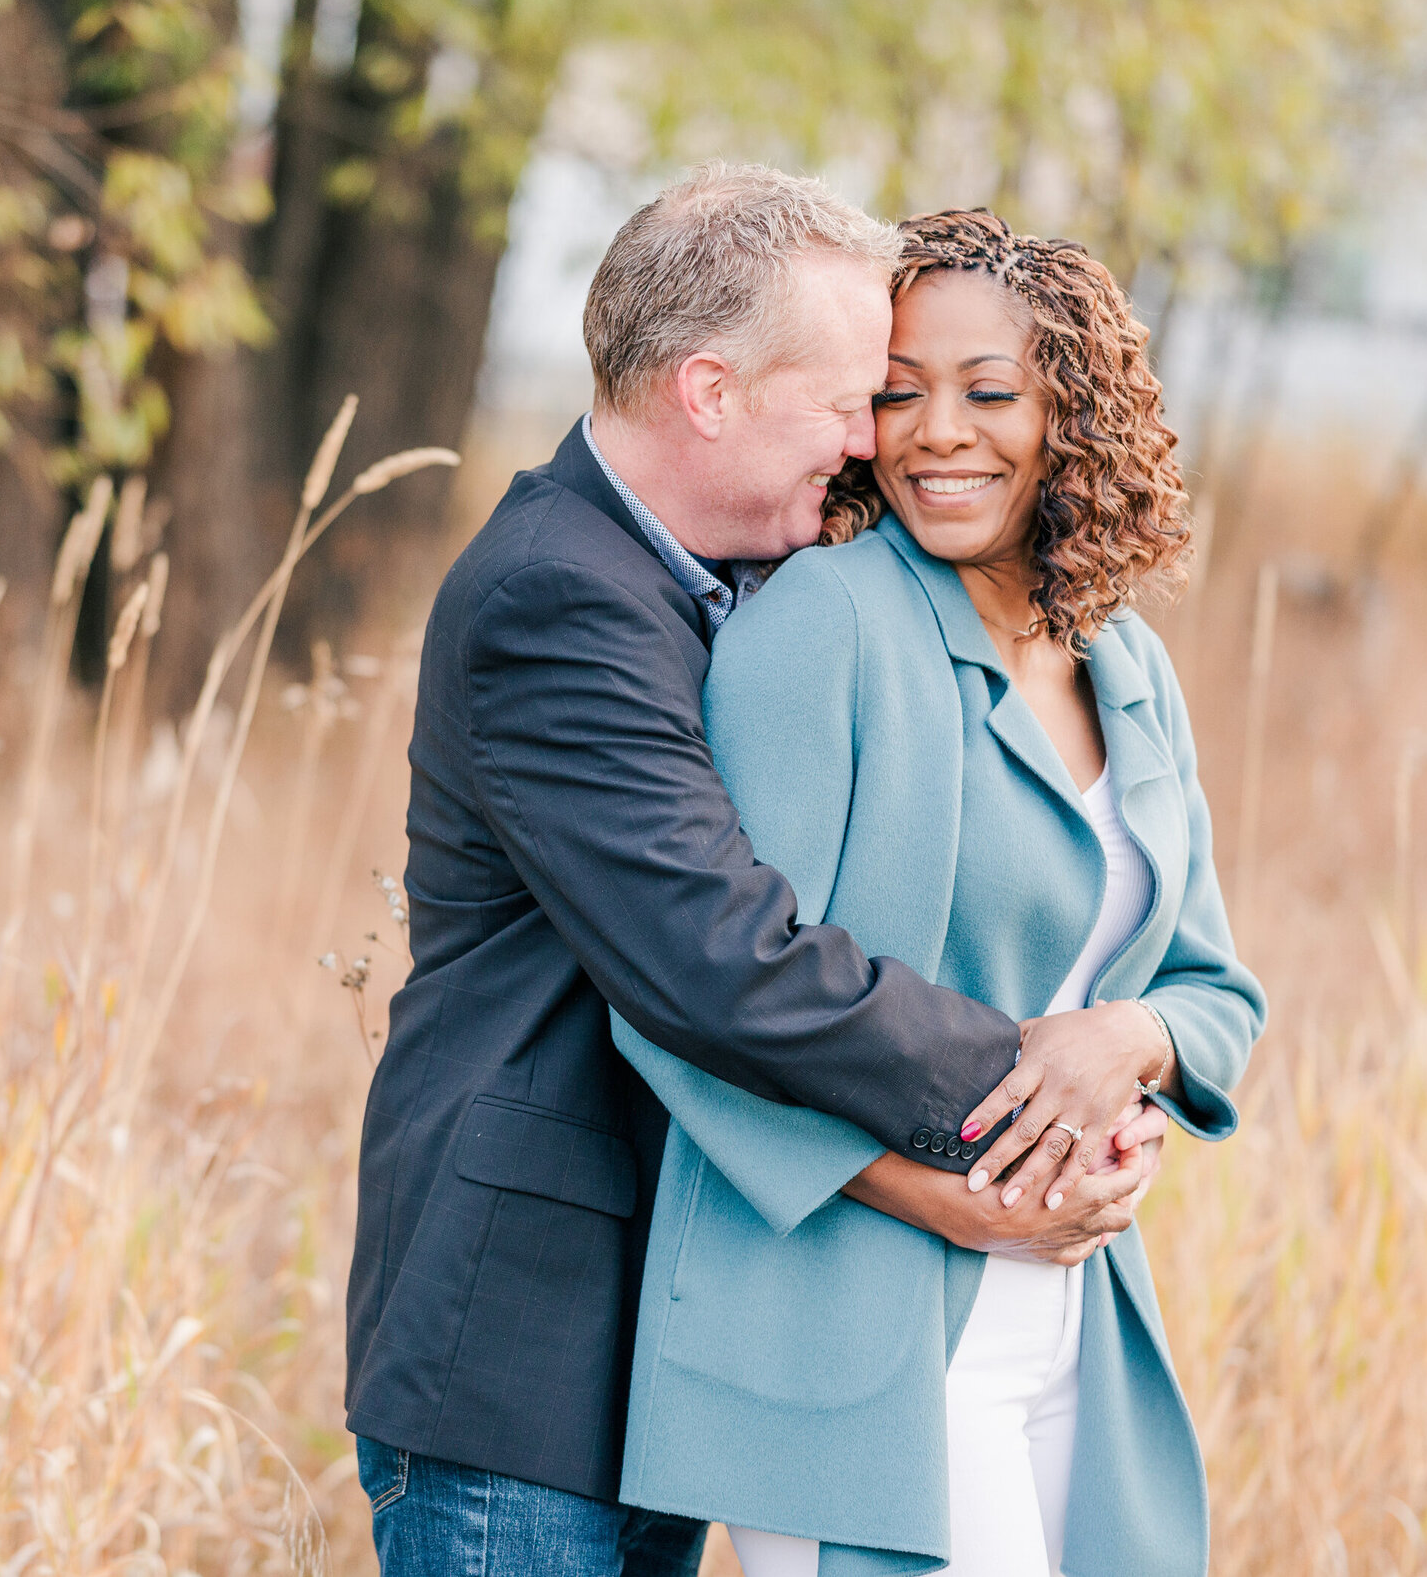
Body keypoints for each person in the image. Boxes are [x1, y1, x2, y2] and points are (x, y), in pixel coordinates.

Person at [347, 169, 1183, 1577]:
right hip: (524, 1349)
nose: (877, 440)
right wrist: (1038, 1084)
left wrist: (1133, 1037)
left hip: (668, 1330)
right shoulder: (555, 595)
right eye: (855, 394)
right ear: (710, 391)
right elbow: (724, 956)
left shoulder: (719, 578)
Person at [610, 209, 1267, 1577]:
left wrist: (1120, 1038)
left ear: (1072, 415)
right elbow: (692, 1004)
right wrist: (951, 1196)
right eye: (898, 393)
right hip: (843, 1339)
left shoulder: (1127, 665)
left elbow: (1213, 992)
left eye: (989, 391)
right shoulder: (824, 627)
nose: (935, 432)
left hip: (1078, 1319)